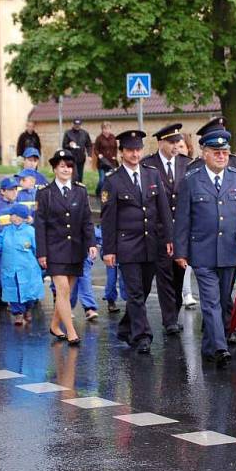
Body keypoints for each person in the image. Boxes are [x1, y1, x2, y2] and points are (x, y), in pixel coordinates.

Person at [174, 129, 236, 366]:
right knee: (210, 301)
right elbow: (182, 219)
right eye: (216, 153)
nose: (221, 156)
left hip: (229, 251)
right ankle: (221, 347)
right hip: (202, 251)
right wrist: (181, 252)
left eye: (224, 153)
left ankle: (210, 346)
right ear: (204, 154)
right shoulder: (192, 181)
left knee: (223, 300)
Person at [101, 131, 172, 354]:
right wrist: (109, 249)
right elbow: (108, 218)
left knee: (144, 288)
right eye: (130, 150)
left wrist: (169, 238)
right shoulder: (112, 181)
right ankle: (142, 336)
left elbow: (163, 210)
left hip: (152, 242)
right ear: (122, 153)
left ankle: (125, 328)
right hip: (127, 245)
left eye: (138, 149)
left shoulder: (152, 175)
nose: (135, 154)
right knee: (135, 293)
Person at [35, 149, 97, 344]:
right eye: (62, 166)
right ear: (54, 168)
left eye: (69, 166)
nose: (66, 169)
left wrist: (91, 243)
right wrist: (42, 253)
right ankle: (71, 331)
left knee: (66, 292)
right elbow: (40, 224)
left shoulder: (80, 190)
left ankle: (54, 325)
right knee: (61, 289)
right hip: (54, 248)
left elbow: (87, 220)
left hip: (75, 248)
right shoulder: (45, 193)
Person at [141, 123, 191, 335]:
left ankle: (174, 310)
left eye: (178, 142)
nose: (175, 147)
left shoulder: (186, 164)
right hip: (159, 230)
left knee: (179, 274)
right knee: (164, 276)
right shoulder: (148, 165)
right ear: (161, 142)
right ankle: (169, 319)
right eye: (171, 143)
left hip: (181, 230)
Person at [0, 203, 44, 325]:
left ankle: (27, 309)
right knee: (13, 292)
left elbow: (38, 248)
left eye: (20, 216)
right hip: (11, 269)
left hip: (28, 269)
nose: (16, 218)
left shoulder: (30, 231)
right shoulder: (6, 231)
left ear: (25, 218)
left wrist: (42, 260)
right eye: (13, 215)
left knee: (30, 292)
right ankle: (18, 313)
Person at [0, 176, 20, 305]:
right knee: (0, 277)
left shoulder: (19, 207)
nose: (14, 192)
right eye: (10, 190)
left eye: (15, 189)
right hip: (0, 252)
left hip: (16, 251)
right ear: (2, 191)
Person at [175, 136, 198, 308]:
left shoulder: (194, 168)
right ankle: (183, 292)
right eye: (175, 145)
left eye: (181, 146)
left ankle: (187, 292)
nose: (178, 149)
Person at [94, 121, 117, 196]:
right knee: (102, 180)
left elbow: (115, 148)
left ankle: (106, 194)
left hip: (111, 162)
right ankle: (98, 192)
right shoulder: (99, 138)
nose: (106, 130)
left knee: (110, 180)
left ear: (110, 129)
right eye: (105, 129)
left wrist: (115, 156)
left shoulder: (113, 137)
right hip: (102, 163)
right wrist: (99, 155)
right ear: (102, 129)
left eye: (108, 129)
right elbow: (95, 149)